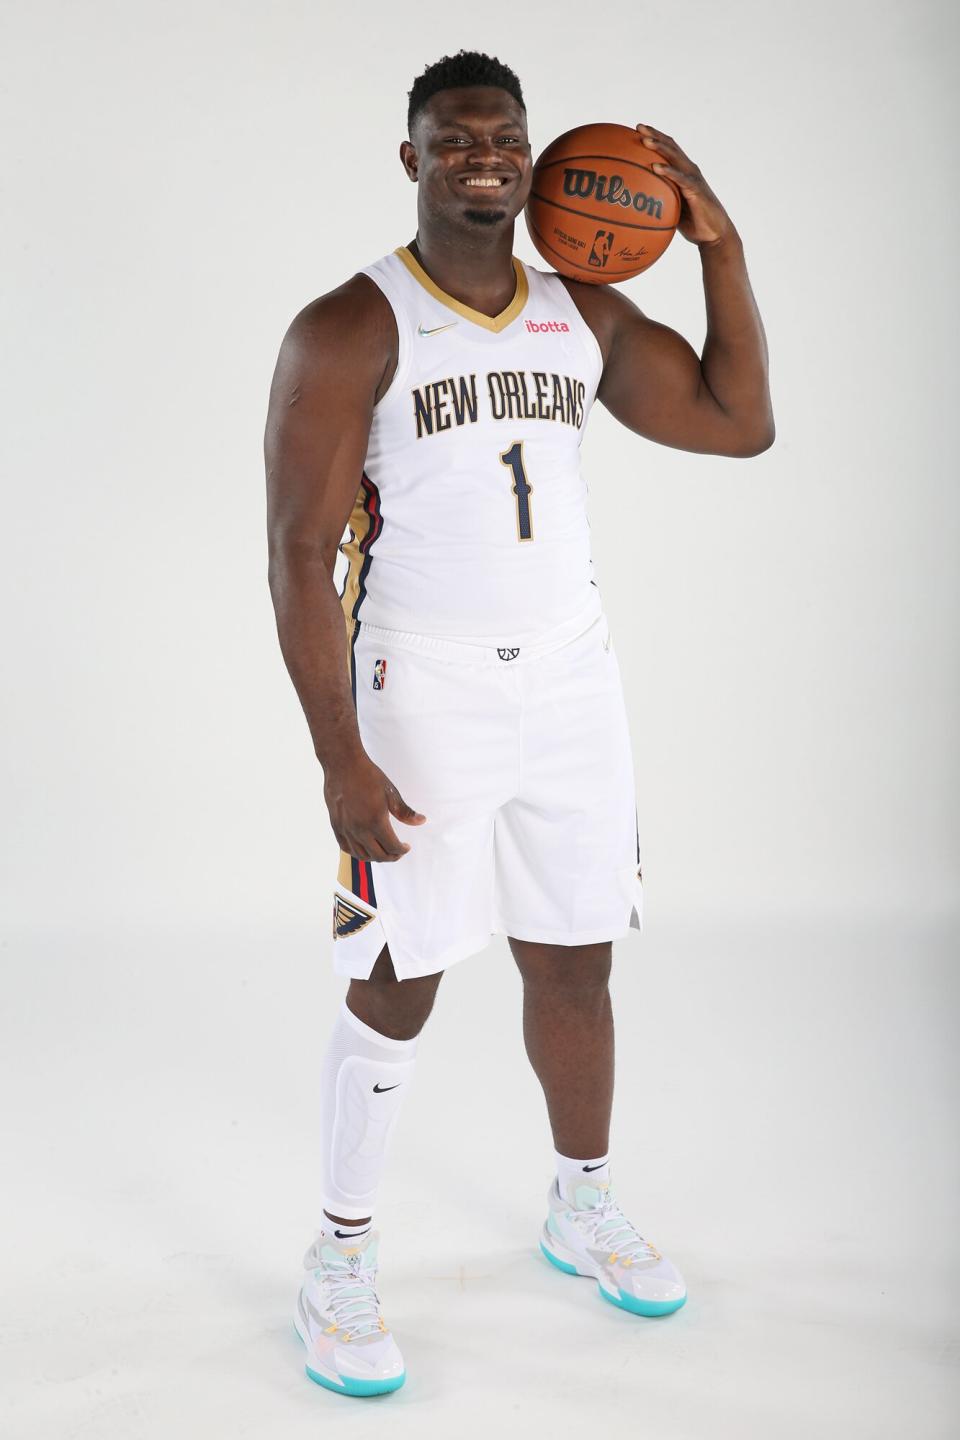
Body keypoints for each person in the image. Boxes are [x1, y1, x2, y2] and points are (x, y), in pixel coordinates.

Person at [264, 48, 774, 1399]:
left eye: (505, 136)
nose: (483, 154)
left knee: (575, 962)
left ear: (538, 161)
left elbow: (740, 423)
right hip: (420, 690)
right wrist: (338, 759)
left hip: (570, 678)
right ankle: (339, 1257)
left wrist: (717, 246)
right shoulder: (351, 325)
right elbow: (298, 546)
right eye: (454, 137)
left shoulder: (583, 313)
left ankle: (581, 1202)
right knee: (399, 974)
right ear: (414, 158)